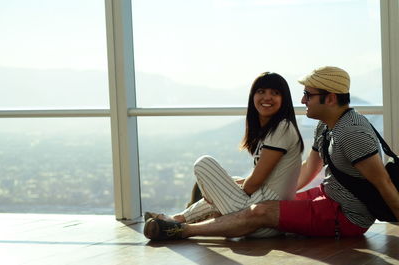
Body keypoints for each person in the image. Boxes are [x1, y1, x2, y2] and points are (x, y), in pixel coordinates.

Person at [143, 66, 399, 240]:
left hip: (346, 216)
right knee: (255, 204)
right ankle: (177, 221)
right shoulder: (327, 125)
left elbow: (382, 182)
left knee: (259, 212)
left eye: (308, 95)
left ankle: (183, 230)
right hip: (327, 197)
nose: (303, 101)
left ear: (330, 98)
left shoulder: (352, 133)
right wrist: (282, 197)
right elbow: (309, 168)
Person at [144, 72, 304, 239]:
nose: (267, 97)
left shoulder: (282, 127)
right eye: (261, 91)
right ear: (253, 96)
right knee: (233, 180)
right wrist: (227, 187)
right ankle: (176, 220)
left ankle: (177, 222)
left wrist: (216, 193)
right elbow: (259, 180)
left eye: (275, 93)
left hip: (265, 214)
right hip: (263, 211)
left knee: (204, 164)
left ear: (284, 99)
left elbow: (254, 183)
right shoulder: (271, 130)